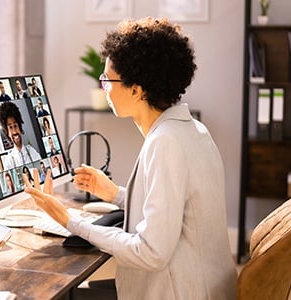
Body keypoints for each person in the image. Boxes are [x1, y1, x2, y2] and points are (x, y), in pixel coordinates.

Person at [22, 17, 236, 299]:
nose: (103, 88)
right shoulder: (192, 130)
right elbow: (174, 211)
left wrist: (69, 221)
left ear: (136, 90)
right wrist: (114, 194)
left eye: (107, 80)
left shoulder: (166, 142)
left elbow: (150, 253)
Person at [0, 101, 41, 170]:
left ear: (20, 128)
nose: (14, 131)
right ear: (7, 133)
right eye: (10, 127)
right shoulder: (8, 161)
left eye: (15, 126)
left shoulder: (32, 152)